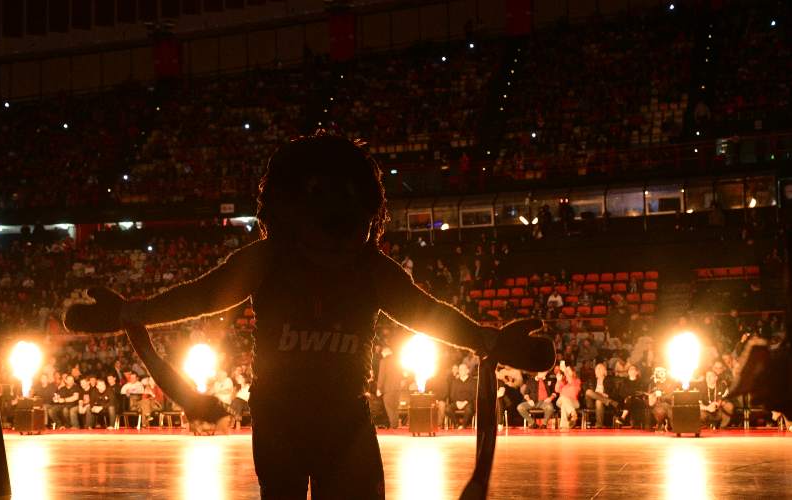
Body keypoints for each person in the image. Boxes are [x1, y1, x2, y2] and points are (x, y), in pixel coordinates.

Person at [65, 133, 554, 499]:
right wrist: (135, 311)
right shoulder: (271, 258)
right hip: (282, 416)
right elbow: (206, 294)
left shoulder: (365, 268)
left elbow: (425, 313)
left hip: (341, 414)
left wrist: (485, 339)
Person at [375, 347, 402, 429]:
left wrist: (379, 388)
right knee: (395, 407)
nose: (382, 355)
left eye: (382, 353)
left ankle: (393, 425)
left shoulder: (384, 361)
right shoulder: (398, 361)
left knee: (389, 407)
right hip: (397, 388)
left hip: (388, 388)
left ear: (385, 353)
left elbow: (382, 375)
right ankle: (396, 424)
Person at [447, 363, 477, 429]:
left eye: (463, 369)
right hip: (457, 402)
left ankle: (463, 425)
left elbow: (474, 394)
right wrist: (457, 402)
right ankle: (456, 424)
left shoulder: (473, 381)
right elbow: (452, 395)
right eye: (460, 369)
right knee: (448, 409)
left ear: (467, 371)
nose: (461, 371)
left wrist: (465, 402)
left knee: (469, 410)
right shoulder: (455, 382)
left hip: (468, 402)